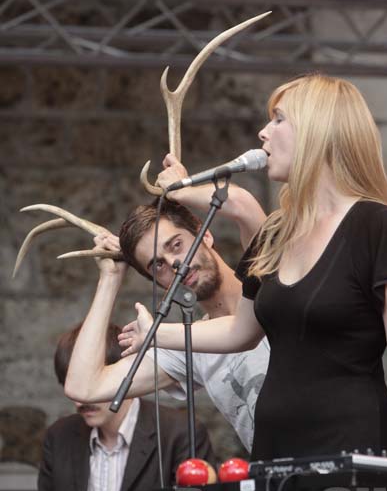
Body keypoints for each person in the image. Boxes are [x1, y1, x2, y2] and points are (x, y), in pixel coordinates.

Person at [125, 74, 387, 491]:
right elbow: (240, 331)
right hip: (275, 446)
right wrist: (156, 333)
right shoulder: (276, 233)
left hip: (350, 444)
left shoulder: (378, 225)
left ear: (317, 129)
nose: (263, 133)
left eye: (277, 119)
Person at [65, 169, 269, 455]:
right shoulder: (191, 344)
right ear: (157, 283)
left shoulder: (270, 282)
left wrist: (184, 192)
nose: (174, 263)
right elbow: (83, 386)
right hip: (281, 485)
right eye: (157, 265)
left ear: (204, 233)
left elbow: (245, 207)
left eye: (177, 245)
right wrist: (109, 281)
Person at [27, 323, 219, 491]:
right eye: (72, 385)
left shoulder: (178, 433)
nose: (82, 399)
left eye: (92, 385)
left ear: (121, 375)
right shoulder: (59, 436)